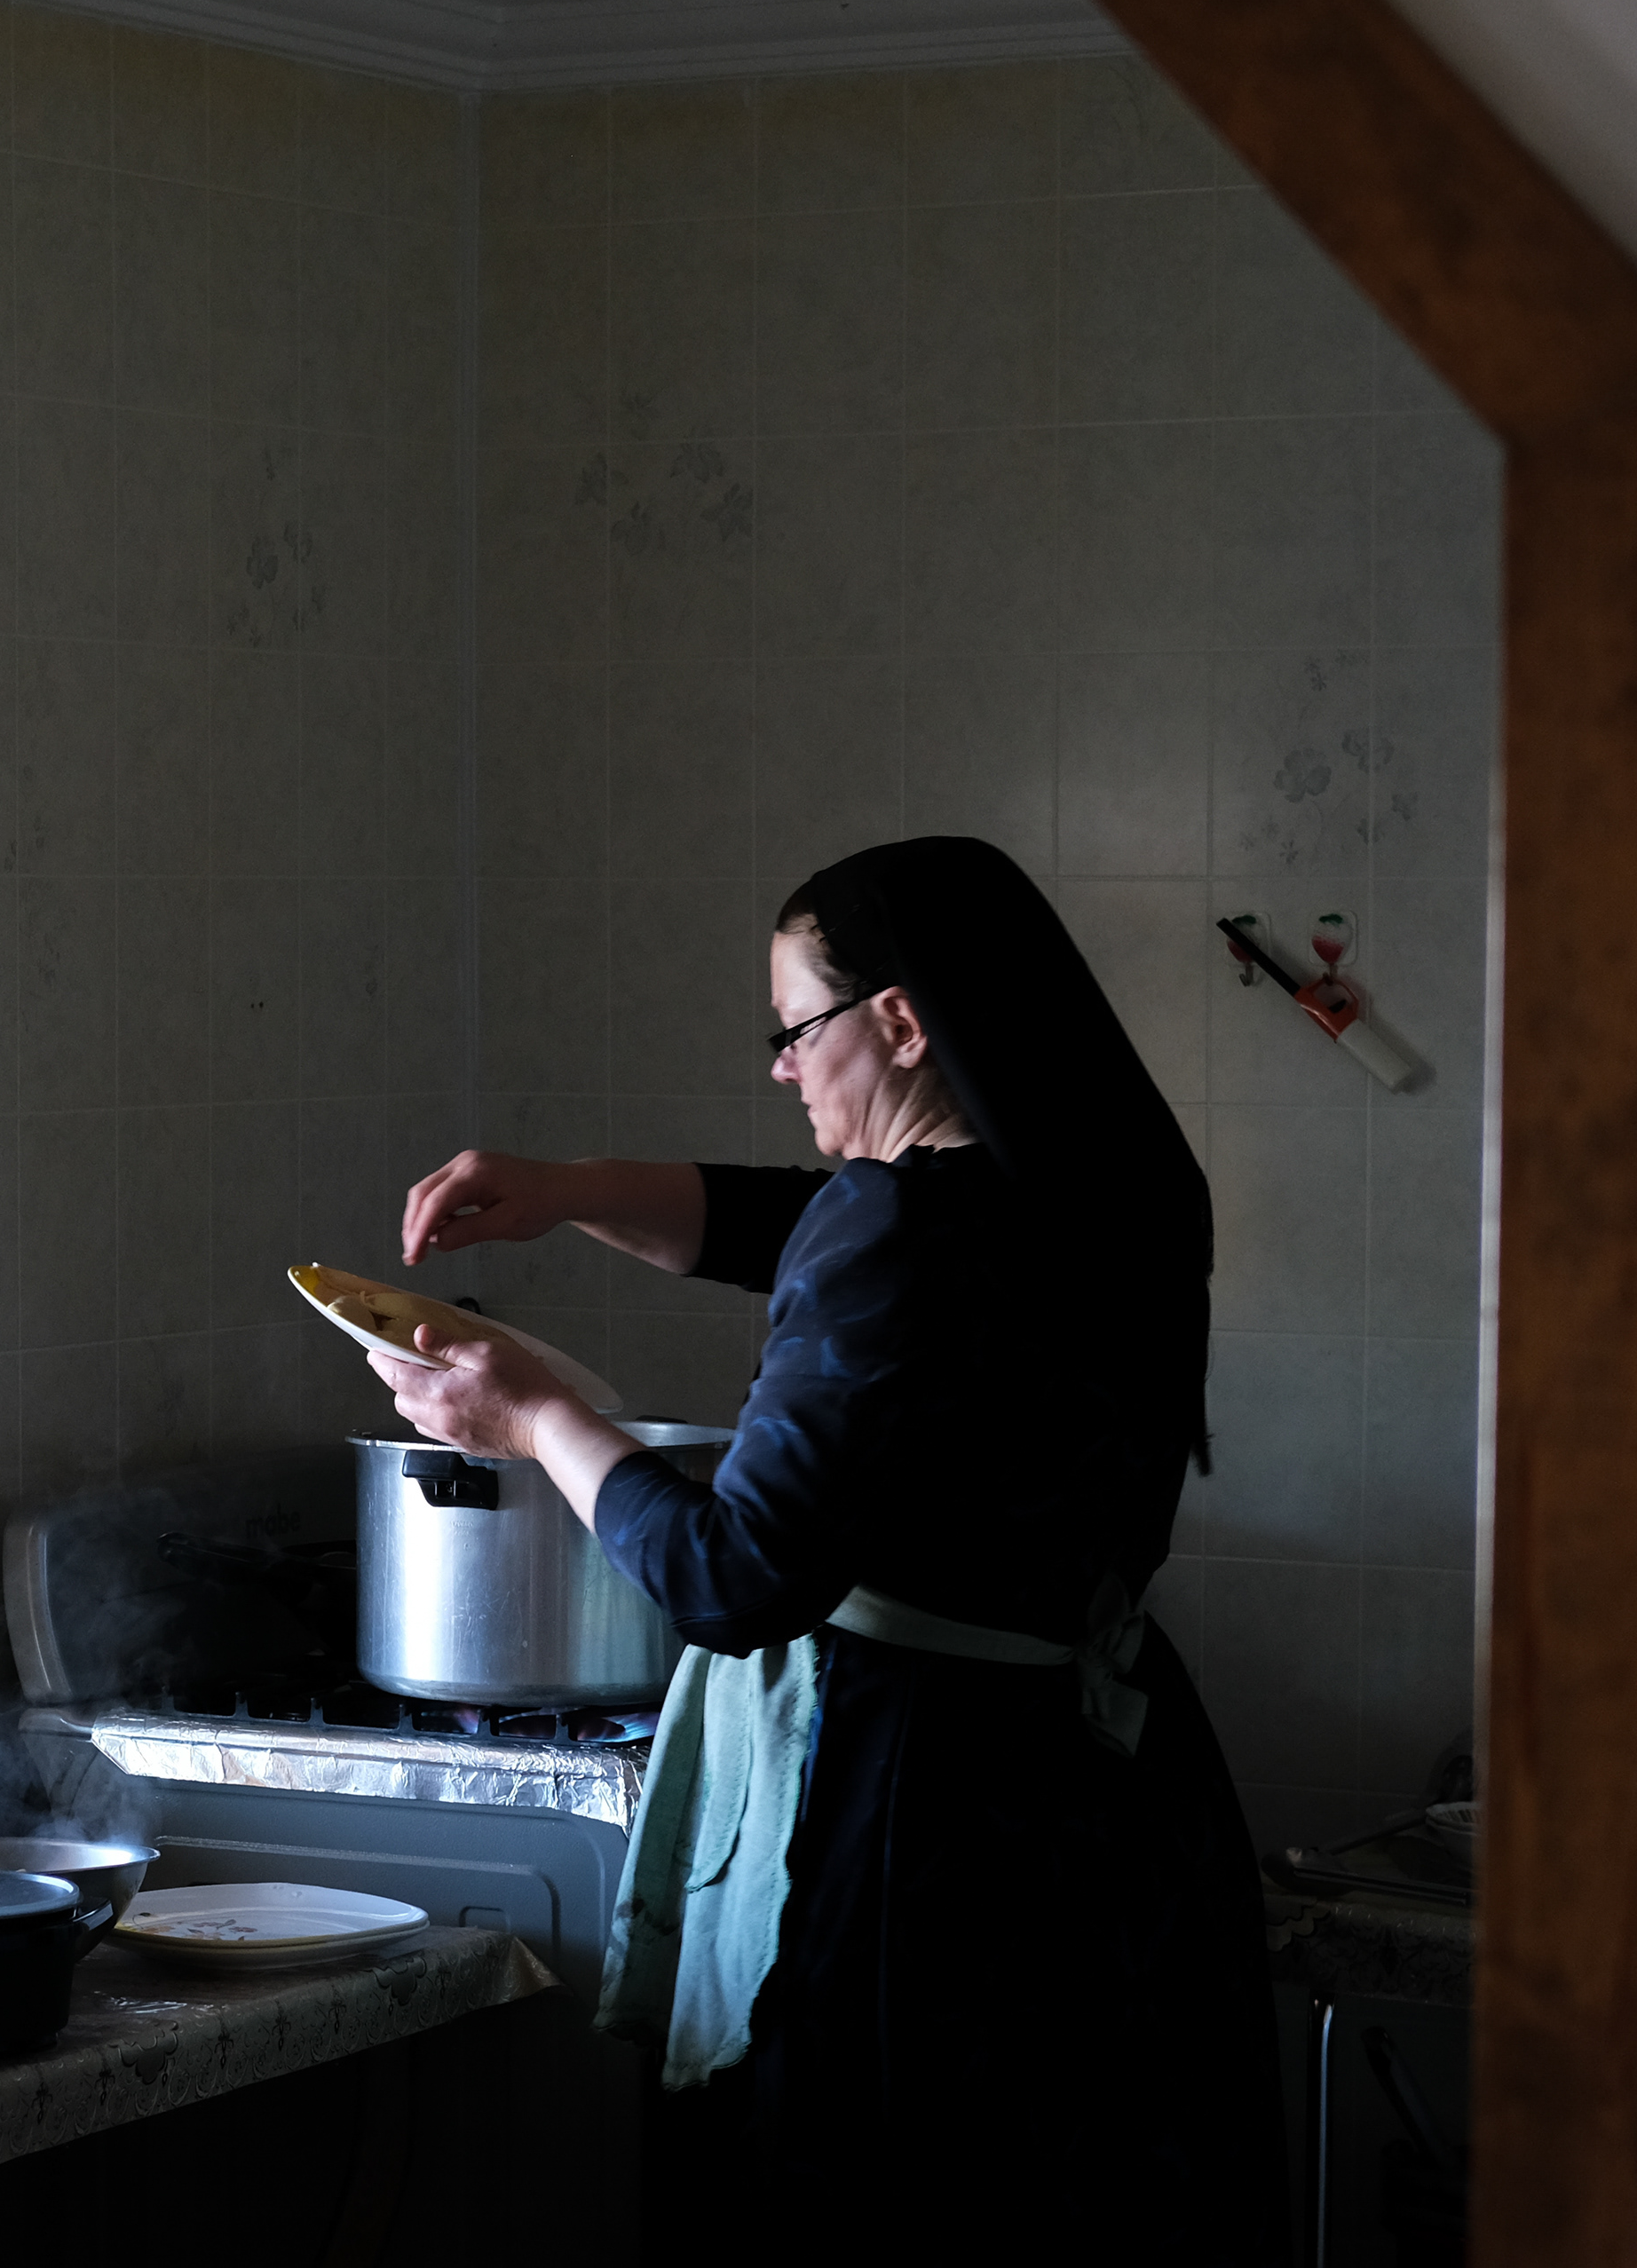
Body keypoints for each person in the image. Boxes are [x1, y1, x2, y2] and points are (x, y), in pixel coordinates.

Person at [373, 837, 1284, 2265]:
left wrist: (536, 1418)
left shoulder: (903, 1230)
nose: (785, 1069)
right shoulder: (1116, 1195)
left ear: (904, 1021)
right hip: (1095, 1799)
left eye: (798, 1029)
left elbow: (735, 1578)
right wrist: (568, 1186)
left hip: (911, 1827)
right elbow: (804, 1223)